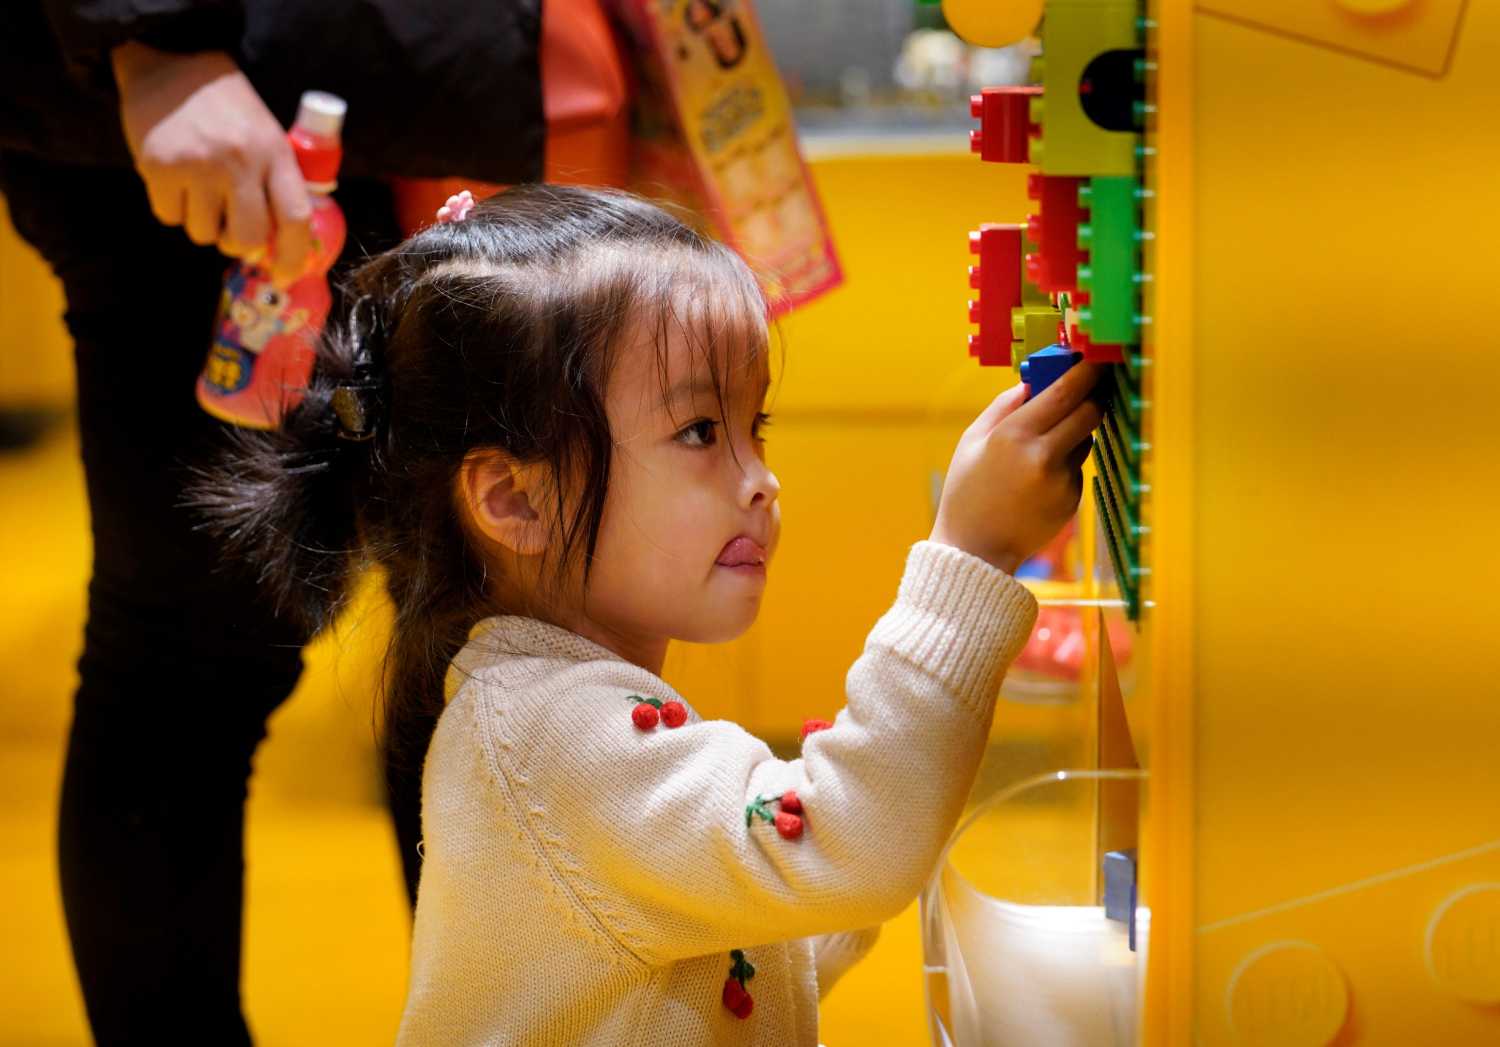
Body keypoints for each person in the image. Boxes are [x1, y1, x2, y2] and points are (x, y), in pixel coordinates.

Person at [191, 183, 1103, 1044]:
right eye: (700, 432)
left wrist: (848, 827)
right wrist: (971, 555)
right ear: (515, 498)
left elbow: (731, 947)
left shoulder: (551, 702)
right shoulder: (551, 734)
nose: (761, 480)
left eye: (755, 427)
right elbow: (847, 844)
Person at [0, 3, 543, 1042]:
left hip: (407, 90)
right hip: (234, 103)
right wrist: (153, 44)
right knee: (191, 661)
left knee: (490, 635)